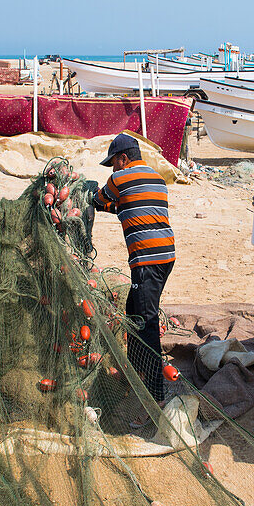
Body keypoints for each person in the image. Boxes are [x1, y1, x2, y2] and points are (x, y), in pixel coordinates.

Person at [91, 134, 175, 402]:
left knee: (145, 323)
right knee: (132, 311)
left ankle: (154, 394)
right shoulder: (157, 179)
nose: (113, 168)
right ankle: (137, 373)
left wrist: (92, 195)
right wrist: (112, 205)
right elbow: (125, 207)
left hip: (147, 260)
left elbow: (98, 200)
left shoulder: (120, 179)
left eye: (114, 163)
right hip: (166, 257)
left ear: (123, 158)